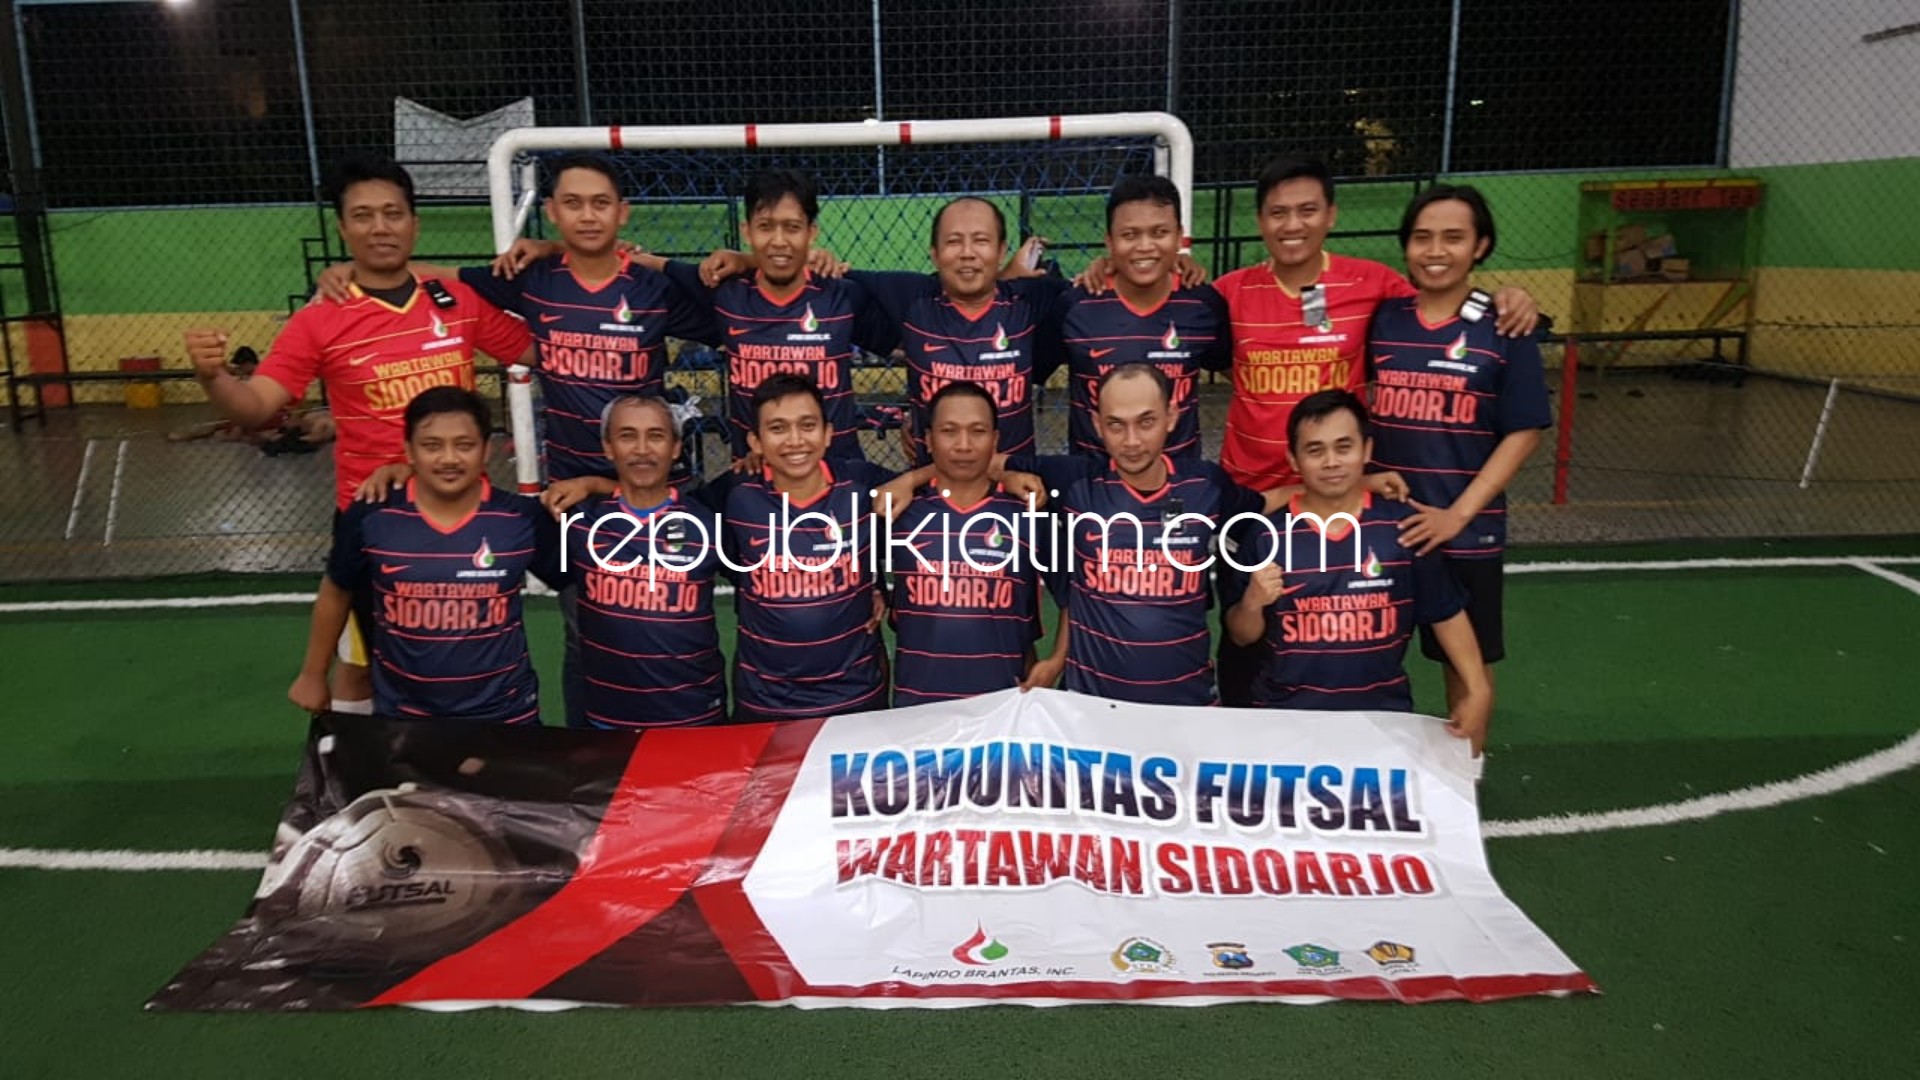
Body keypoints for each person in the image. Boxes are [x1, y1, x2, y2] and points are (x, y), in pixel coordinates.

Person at [186, 155, 532, 715]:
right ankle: (349, 778)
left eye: (393, 214)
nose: (380, 227)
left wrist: (565, 259)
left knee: (454, 654)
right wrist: (215, 377)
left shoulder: (455, 300)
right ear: (344, 228)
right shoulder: (320, 319)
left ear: (414, 223)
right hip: (376, 515)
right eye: (364, 216)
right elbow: (256, 408)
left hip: (462, 516)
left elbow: (537, 350)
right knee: (364, 661)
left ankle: (452, 776)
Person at [1209, 155, 1537, 706]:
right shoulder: (1228, 293)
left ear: (1331, 215)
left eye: (1307, 210)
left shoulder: (1374, 285)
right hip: (1256, 501)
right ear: (1260, 221)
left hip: (1341, 498)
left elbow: (1446, 299)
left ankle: (1395, 750)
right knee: (1246, 631)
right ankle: (1247, 767)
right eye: (1278, 213)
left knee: (1349, 634)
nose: (1293, 225)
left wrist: (1507, 298)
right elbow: (1170, 307)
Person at [1367, 184, 1550, 720]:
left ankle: (1463, 779)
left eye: (1453, 238)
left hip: (1465, 532)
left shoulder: (1504, 326)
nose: (1436, 250)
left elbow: (1524, 432)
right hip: (1387, 527)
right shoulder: (1385, 319)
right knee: (1367, 655)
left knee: (1465, 665)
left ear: (1481, 246)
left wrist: (1457, 516)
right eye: (1422, 238)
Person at [1224, 390, 1490, 754]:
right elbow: (1240, 636)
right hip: (1285, 724)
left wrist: (1478, 687)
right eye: (1315, 450)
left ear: (1366, 450)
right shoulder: (1266, 534)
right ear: (1294, 459)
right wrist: (1252, 603)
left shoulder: (1403, 529)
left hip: (1383, 725)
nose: (1331, 461)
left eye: (1343, 447)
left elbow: (1445, 612)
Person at [1016, 364, 1285, 706]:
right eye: (1116, 424)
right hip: (1092, 708)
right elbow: (987, 466)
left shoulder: (1206, 486)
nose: (1132, 441)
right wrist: (1012, 478)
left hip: (1188, 704)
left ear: (1171, 416)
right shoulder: (1073, 482)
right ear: (1097, 424)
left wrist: (1359, 484)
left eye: (1146, 422)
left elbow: (1266, 504)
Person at [288, 387, 562, 724]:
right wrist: (313, 674)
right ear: (409, 451)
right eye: (432, 446)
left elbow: (580, 583)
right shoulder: (372, 515)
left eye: (465, 445)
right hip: (405, 716)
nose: (448, 459)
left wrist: (594, 486)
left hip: (505, 715)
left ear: (486, 450)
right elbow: (336, 590)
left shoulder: (522, 518)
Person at [722, 373, 896, 722]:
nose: (795, 440)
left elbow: (937, 485)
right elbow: (658, 500)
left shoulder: (861, 484)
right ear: (755, 441)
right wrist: (595, 484)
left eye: (807, 425)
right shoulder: (734, 495)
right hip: (765, 703)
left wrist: (875, 586)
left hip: (855, 698)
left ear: (829, 433)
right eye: (777, 428)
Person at [553, 395, 728, 727]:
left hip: (695, 717)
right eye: (627, 436)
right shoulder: (577, 520)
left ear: (676, 448)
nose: (642, 449)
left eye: (656, 436)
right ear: (608, 447)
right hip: (608, 721)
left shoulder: (709, 520)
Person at [1037, 175, 1231, 460]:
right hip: (1093, 487)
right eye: (1129, 235)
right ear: (1110, 242)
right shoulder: (1076, 305)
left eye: (1159, 232)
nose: (1144, 246)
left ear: (1179, 236)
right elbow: (1023, 374)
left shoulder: (1202, 304)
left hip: (1180, 488)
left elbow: (1238, 375)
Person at [887, 381, 1044, 705]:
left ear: (995, 440)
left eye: (977, 431)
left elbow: (1075, 597)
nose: (963, 445)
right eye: (948, 431)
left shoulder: (1027, 516)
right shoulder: (899, 512)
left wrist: (1054, 661)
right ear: (928, 440)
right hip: (916, 711)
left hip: (1003, 712)